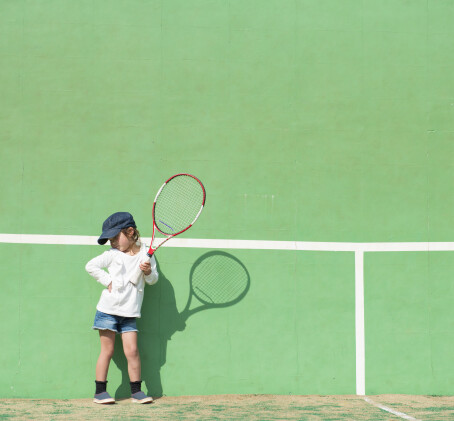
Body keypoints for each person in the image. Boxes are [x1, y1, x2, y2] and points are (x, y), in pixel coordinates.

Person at [85, 212, 158, 404]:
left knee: (132, 351)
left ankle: (136, 392)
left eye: (115, 237)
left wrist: (148, 272)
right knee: (106, 351)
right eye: (109, 239)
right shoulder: (112, 255)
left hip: (129, 313)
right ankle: (100, 392)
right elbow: (90, 266)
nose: (112, 242)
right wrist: (108, 280)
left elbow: (153, 280)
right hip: (107, 311)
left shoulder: (146, 255)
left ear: (130, 231)